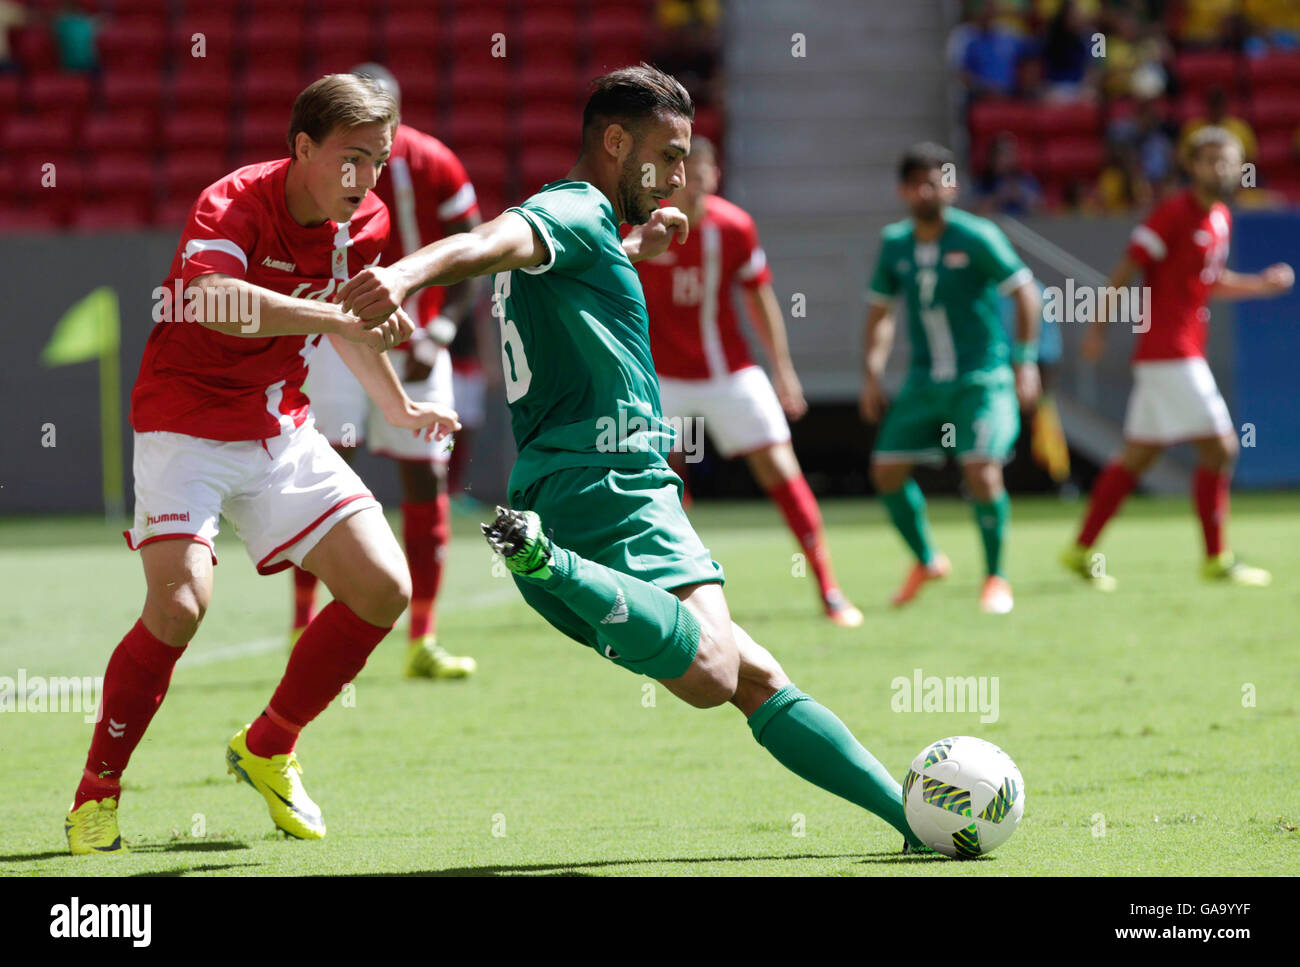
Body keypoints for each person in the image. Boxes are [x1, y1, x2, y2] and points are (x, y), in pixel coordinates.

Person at [339, 65, 932, 854]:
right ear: (616, 142)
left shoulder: (586, 226)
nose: (683, 176)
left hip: (559, 484)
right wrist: (409, 273)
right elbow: (492, 240)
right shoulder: (568, 208)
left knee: (754, 678)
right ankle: (549, 562)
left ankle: (914, 822)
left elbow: (550, 257)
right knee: (716, 673)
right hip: (613, 483)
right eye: (671, 154)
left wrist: (636, 244)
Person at [64, 74, 460, 854]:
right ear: (302, 148)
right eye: (350, 159)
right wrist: (337, 310)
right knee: (179, 607)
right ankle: (97, 789)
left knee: (383, 588)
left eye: (377, 161)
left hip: (280, 427)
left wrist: (395, 405)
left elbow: (352, 322)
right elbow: (215, 300)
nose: (365, 179)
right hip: (184, 425)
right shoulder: (232, 203)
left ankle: (270, 743)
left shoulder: (368, 220)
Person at [292, 63, 480, 680]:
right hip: (336, 340)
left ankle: (421, 639)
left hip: (418, 339)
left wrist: (445, 330)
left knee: (424, 481)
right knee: (323, 478)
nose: (374, 144)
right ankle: (303, 627)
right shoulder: (324, 168)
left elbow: (470, 251)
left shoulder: (436, 163)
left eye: (384, 127)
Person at [635, 136, 863, 627]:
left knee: (781, 468)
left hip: (729, 372)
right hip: (660, 378)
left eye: (700, 174)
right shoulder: (641, 226)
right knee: (654, 482)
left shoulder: (735, 227)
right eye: (682, 172)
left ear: (714, 177)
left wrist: (783, 371)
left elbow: (760, 298)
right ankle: (668, 593)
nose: (691, 183)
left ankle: (829, 588)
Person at [1062, 127, 1293, 589]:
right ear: (1191, 165)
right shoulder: (1173, 213)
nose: (1220, 168)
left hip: (1175, 354)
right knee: (1222, 447)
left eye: (1228, 159)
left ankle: (1079, 549)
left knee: (1138, 458)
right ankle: (1216, 558)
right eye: (1209, 159)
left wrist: (1259, 286)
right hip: (1169, 352)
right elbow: (1126, 269)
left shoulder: (1222, 217)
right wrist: (1097, 329)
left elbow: (1208, 280)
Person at [860, 143, 1041, 614]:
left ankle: (996, 578)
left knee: (981, 470)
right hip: (924, 380)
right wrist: (873, 373)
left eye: (937, 178)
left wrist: (1025, 362)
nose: (928, 189)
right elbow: (881, 312)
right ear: (903, 190)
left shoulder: (976, 235)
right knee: (886, 471)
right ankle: (926, 560)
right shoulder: (895, 242)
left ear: (952, 185)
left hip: (981, 377)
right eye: (918, 181)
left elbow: (1026, 294)